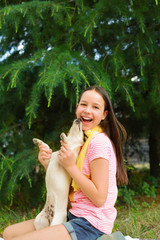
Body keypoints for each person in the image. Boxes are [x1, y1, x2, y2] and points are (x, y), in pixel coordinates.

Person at [3, 86, 128, 240]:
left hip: (90, 224)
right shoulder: (80, 139)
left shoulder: (99, 143)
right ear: (77, 108)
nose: (87, 110)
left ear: (104, 114)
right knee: (9, 233)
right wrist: (48, 164)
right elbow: (72, 181)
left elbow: (99, 198)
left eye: (95, 107)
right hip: (72, 215)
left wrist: (70, 166)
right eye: (83, 104)